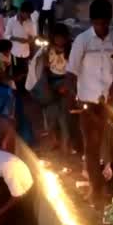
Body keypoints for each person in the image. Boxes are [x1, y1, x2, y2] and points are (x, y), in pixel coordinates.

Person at [65, 0, 113, 208]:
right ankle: (96, 188)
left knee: (100, 142)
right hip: (87, 102)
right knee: (91, 146)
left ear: (109, 21)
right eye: (97, 23)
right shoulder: (82, 41)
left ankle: (99, 181)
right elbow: (71, 73)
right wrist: (74, 97)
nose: (101, 27)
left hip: (106, 101)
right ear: (92, 21)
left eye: (105, 23)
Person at [27, 23, 72, 156]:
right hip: (50, 84)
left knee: (64, 116)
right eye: (57, 37)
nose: (59, 40)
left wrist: (67, 85)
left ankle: (66, 143)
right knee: (50, 114)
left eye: (62, 37)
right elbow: (44, 68)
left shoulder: (71, 50)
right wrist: (46, 85)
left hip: (66, 83)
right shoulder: (47, 50)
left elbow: (75, 70)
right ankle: (54, 140)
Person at [5, 0, 37, 90]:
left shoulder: (30, 23)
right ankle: (18, 88)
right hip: (15, 53)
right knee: (16, 72)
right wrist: (17, 39)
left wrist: (31, 39)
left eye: (29, 14)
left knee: (25, 71)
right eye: (27, 14)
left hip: (26, 52)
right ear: (22, 11)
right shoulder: (11, 21)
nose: (28, 16)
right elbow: (6, 35)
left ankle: (24, 88)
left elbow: (33, 36)